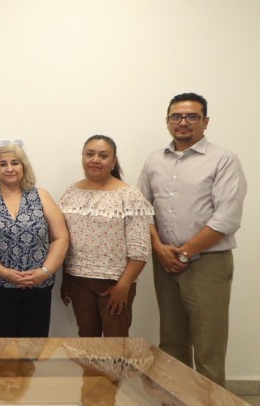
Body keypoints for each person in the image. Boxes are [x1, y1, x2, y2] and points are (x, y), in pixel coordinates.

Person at [137, 92, 247, 387]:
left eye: (191, 116)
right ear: (167, 121)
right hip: (165, 262)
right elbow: (141, 210)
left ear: (205, 121)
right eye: (176, 116)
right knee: (171, 344)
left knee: (208, 348)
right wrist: (159, 248)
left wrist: (184, 253)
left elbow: (226, 218)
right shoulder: (154, 160)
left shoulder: (223, 160)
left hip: (207, 263)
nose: (183, 122)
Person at [59, 135, 154, 338]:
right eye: (89, 154)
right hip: (78, 281)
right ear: (82, 157)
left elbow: (141, 249)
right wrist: (65, 279)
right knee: (87, 340)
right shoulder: (71, 192)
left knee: (116, 343)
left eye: (103, 156)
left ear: (113, 161)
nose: (95, 160)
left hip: (114, 284)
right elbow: (63, 240)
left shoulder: (129, 195)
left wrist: (123, 286)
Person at [0, 144, 68, 338]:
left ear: (24, 166)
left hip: (37, 286)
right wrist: (5, 273)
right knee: (0, 349)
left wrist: (45, 272)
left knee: (32, 348)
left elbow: (60, 237)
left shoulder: (41, 196)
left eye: (15, 163)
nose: (9, 168)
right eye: (3, 164)